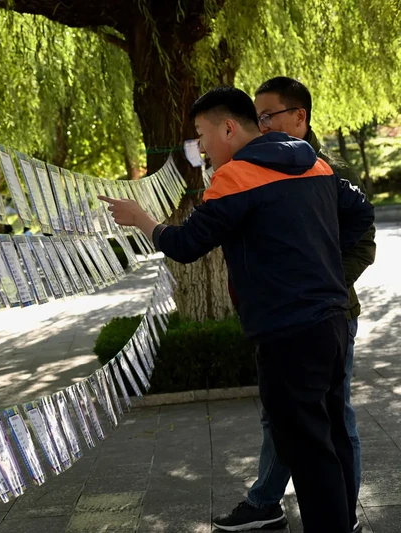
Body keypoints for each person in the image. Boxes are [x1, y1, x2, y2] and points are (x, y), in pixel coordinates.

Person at [99, 86, 374, 533]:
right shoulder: (314, 162)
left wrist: (144, 220)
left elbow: (187, 245)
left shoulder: (237, 176)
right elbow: (361, 213)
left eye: (202, 135)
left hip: (287, 332)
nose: (201, 148)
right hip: (334, 322)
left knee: (308, 451)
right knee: (335, 439)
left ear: (228, 127)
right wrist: (326, 270)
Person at [213, 77, 376, 532]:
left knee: (333, 422)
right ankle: (267, 503)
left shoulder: (322, 169)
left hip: (328, 315)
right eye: (257, 117)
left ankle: (339, 518)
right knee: (286, 421)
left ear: (299, 117)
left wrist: (319, 277)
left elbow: (364, 235)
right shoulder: (261, 166)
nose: (260, 125)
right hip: (287, 319)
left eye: (268, 116)